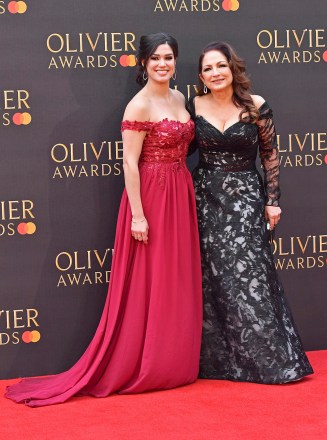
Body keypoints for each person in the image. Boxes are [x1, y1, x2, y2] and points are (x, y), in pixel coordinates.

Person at [5, 33, 202, 407]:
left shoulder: (179, 98)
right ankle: (149, 364)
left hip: (180, 190)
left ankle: (174, 360)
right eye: (156, 58)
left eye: (169, 57)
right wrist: (139, 216)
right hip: (152, 195)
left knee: (175, 273)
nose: (163, 64)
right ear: (143, 63)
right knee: (152, 276)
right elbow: (130, 162)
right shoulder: (139, 105)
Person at [186, 41, 313, 384]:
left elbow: (270, 155)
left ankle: (270, 363)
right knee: (213, 278)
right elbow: (180, 149)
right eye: (208, 68)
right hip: (205, 198)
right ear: (201, 76)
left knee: (252, 275)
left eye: (220, 66)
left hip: (246, 198)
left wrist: (273, 199)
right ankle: (219, 363)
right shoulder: (193, 104)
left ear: (233, 68)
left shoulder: (256, 106)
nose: (215, 73)